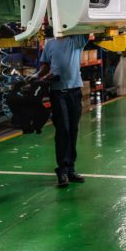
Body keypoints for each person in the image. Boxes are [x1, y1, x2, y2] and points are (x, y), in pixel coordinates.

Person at [31, 27, 89, 187]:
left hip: (75, 91)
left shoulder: (75, 40)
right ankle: (62, 171)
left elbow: (86, 28)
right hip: (58, 93)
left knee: (73, 130)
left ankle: (71, 169)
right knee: (62, 129)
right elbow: (45, 66)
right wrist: (37, 75)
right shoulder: (49, 44)